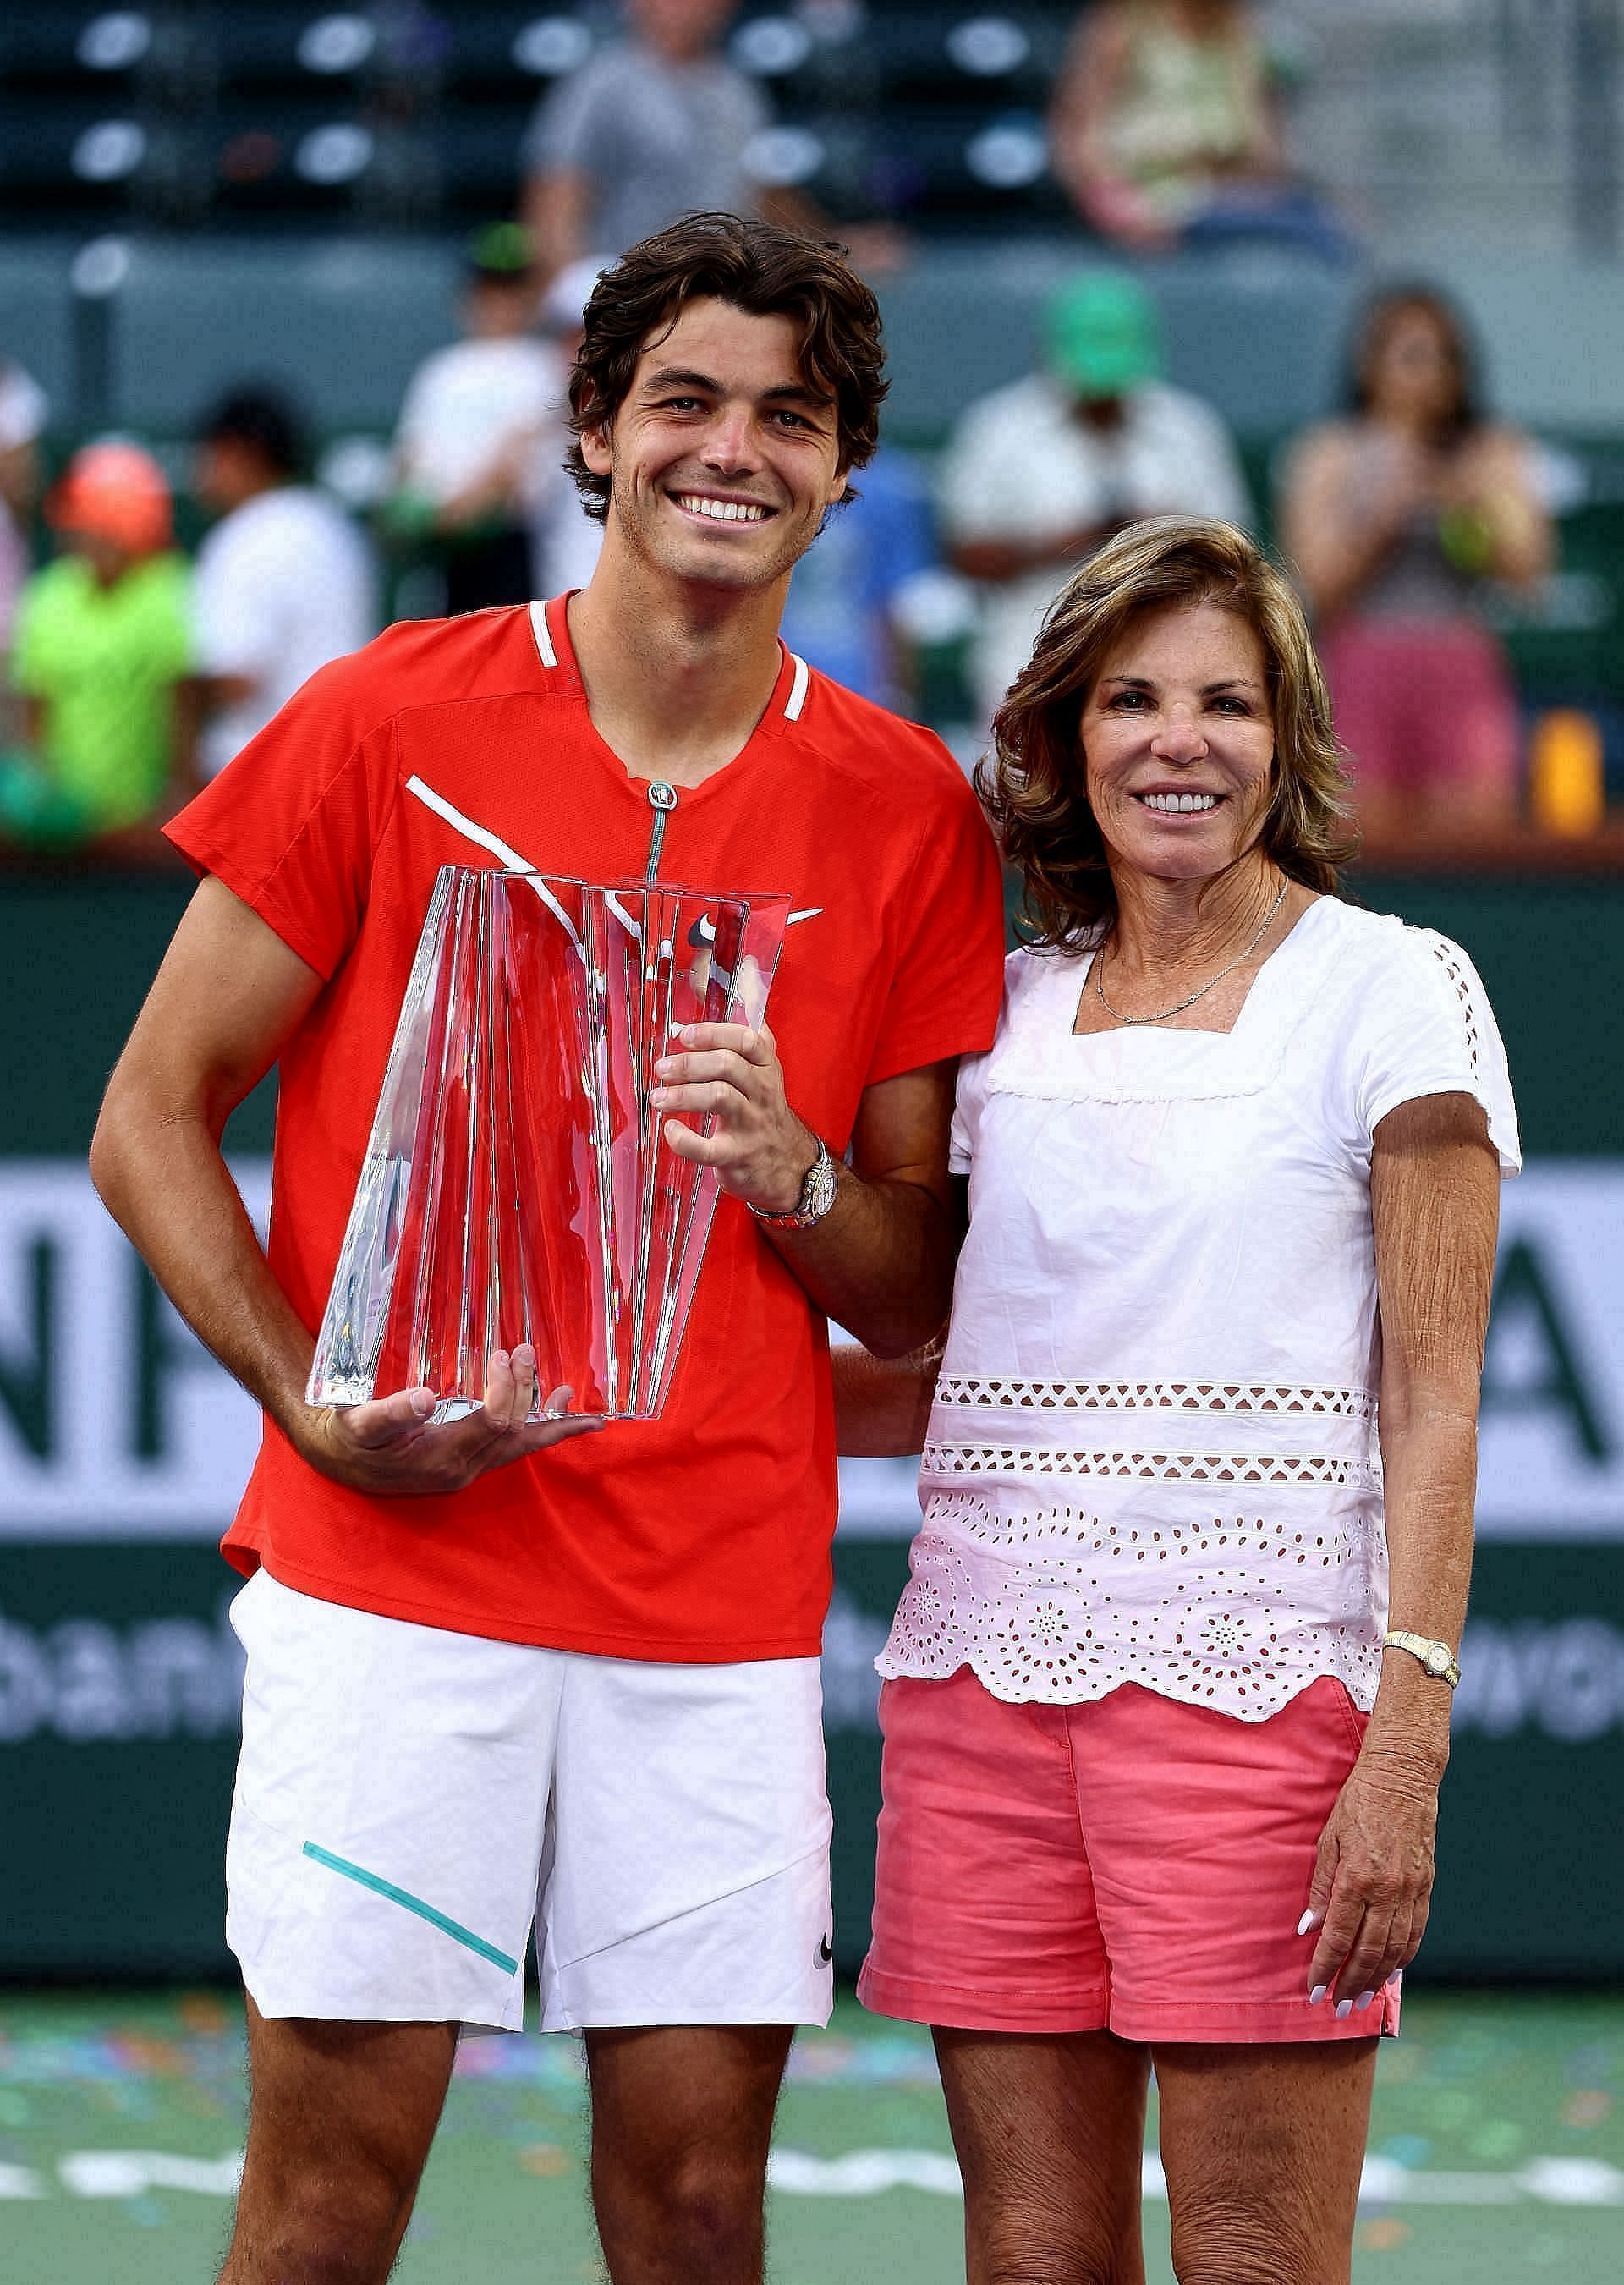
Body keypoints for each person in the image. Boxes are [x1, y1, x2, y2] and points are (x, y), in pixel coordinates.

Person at [88, 212, 1005, 2285]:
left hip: (714, 1611)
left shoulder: (901, 808)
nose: (733, 449)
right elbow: (148, 1115)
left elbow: (906, 1278)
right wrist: (314, 1402)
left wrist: (786, 1171)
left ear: (845, 464)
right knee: (326, 2210)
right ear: (589, 429)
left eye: (792, 414)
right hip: (396, 1583)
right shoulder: (381, 716)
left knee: (693, 2215)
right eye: (683, 398)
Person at [836, 515, 1517, 2281]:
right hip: (975, 1700)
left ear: (1284, 736)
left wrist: (1407, 1751)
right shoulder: (999, 1018)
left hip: (1261, 1703)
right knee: (1033, 2260)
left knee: (1250, 2262)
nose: (1177, 740)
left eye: (1225, 701)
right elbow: (945, 1378)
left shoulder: (1395, 990)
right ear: (1065, 742)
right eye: (1130, 699)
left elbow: (1436, 1408)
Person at [1280, 284, 1552, 838]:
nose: (1426, 373)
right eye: (1409, 355)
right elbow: (1311, 591)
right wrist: (1384, 517)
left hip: (1459, 660)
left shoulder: (1490, 450)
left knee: (1475, 839)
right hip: (1361, 660)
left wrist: (1467, 501)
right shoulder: (1330, 451)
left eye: (1442, 357)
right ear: (1369, 363)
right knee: (1360, 840)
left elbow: (1528, 575)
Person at [939, 268, 1249, 730]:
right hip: (1030, 660)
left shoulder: (1189, 429)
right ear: (1050, 354)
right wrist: (1070, 541)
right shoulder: (998, 430)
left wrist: (1156, 540)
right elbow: (964, 554)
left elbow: (1235, 553)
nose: (1103, 394)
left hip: (1168, 667)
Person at [520, 0, 900, 286]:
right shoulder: (599, 84)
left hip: (713, 294)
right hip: (628, 295)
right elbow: (555, 203)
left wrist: (832, 247)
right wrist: (584, 303)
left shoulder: (737, 89)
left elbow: (759, 194)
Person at [1049, 0, 1350, 261]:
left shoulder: (1241, 29)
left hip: (1230, 192)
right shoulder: (1123, 25)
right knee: (1312, 236)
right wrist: (1114, 205)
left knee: (1329, 227)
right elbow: (1077, 134)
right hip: (1156, 197)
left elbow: (1263, 143)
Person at [2, 442, 191, 848]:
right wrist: (45, 808)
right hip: (64, 832)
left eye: (107, 522)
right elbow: (36, 714)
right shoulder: (48, 597)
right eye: (83, 522)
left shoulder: (170, 590)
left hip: (147, 830)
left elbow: (182, 712)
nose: (91, 536)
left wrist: (168, 811)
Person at [191, 387, 377, 782]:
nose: (201, 473)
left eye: (208, 456)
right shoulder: (335, 528)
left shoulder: (244, 536)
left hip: (265, 777)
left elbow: (235, 678)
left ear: (238, 454)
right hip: (343, 765)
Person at [391, 222, 567, 615]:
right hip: (439, 549)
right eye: (488, 287)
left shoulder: (542, 367)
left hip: (505, 544)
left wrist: (460, 512)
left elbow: (516, 454)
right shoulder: (440, 371)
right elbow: (411, 453)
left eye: (510, 288)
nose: (498, 301)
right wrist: (408, 511)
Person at [781, 442, 940, 712]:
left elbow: (895, 604)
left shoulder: (891, 487)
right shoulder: (773, 473)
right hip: (768, 681)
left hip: (858, 683)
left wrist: (898, 694)